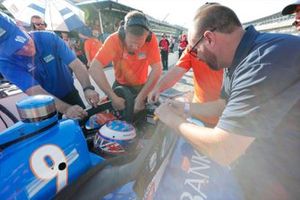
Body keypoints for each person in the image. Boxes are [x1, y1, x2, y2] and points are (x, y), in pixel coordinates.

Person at [155, 3, 300, 200]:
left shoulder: (261, 62)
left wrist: (171, 119)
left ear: (209, 38)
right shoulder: (239, 59)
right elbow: (223, 106)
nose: (195, 56)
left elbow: (224, 149)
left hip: (285, 176)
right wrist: (185, 107)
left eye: (195, 50)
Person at [0, 11, 99, 119]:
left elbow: (76, 64)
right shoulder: (5, 62)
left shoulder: (49, 38)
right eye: (16, 49)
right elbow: (34, 90)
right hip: (44, 106)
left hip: (70, 93)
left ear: (20, 26)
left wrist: (87, 88)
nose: (26, 49)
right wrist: (66, 109)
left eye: (23, 41)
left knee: (85, 123)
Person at [89, 11, 162, 114]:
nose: (135, 47)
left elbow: (157, 69)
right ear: (123, 34)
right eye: (131, 43)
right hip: (120, 86)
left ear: (147, 37)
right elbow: (94, 68)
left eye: (139, 43)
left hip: (142, 87)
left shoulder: (151, 39)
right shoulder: (114, 40)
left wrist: (141, 97)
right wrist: (112, 97)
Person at [148, 47, 223, 127]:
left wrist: (182, 109)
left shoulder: (231, 55)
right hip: (196, 112)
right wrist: (157, 88)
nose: (196, 56)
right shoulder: (193, 47)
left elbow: (222, 106)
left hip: (223, 121)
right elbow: (177, 70)